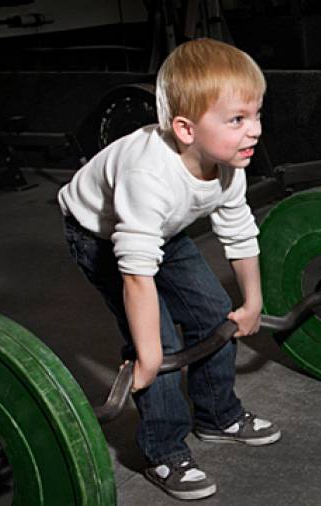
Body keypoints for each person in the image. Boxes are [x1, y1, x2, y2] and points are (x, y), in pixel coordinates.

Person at [58, 38, 280, 501]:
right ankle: (163, 448)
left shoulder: (229, 162)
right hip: (99, 233)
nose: (254, 130)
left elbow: (239, 231)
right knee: (158, 344)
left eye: (256, 115)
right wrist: (148, 354)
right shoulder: (149, 176)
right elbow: (137, 274)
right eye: (238, 120)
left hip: (163, 227)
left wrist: (253, 302)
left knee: (215, 312)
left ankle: (217, 414)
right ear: (185, 129)